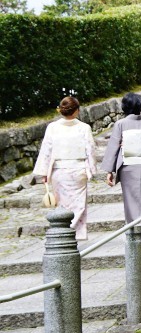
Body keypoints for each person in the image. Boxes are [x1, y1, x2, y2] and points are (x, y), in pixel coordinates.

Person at [101, 93, 141, 250]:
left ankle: (133, 234)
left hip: (128, 166)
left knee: (130, 201)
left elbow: (113, 147)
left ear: (124, 107)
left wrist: (109, 170)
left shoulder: (120, 124)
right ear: (140, 106)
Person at [33, 97, 96, 241]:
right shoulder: (84, 128)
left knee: (62, 204)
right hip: (78, 170)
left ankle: (63, 232)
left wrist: (44, 172)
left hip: (59, 171)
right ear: (76, 111)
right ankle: (74, 233)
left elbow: (46, 150)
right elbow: (90, 149)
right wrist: (91, 170)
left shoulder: (53, 127)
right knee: (78, 205)